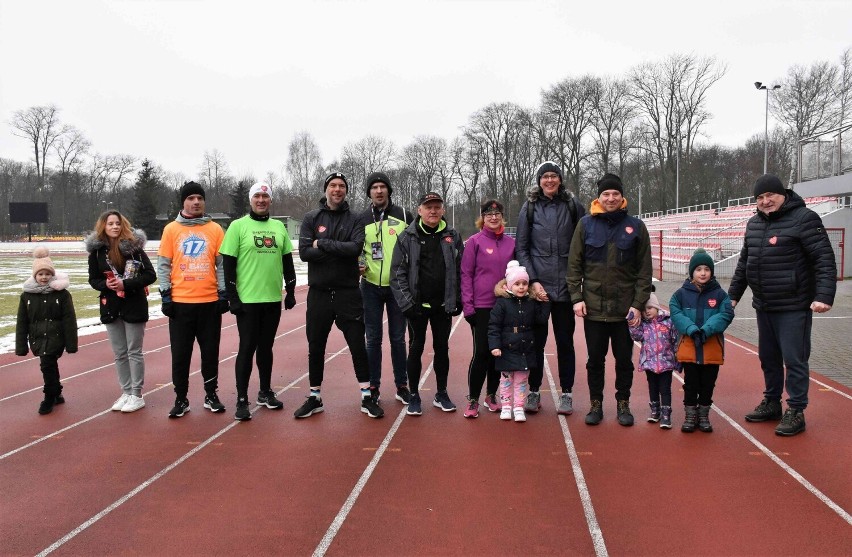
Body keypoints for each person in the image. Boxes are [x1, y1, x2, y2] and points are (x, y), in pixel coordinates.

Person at [729, 174, 836, 436]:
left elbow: (824, 259)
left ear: (783, 195)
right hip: (764, 304)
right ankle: (772, 402)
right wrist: (732, 296)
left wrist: (824, 296)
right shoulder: (753, 224)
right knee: (768, 358)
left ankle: (796, 410)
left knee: (794, 359)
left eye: (770, 196)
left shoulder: (805, 219)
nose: (765, 201)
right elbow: (745, 263)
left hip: (794, 305)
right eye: (760, 198)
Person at [295, 172, 384, 419]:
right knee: (316, 346)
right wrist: (338, 249)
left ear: (346, 190)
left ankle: (367, 396)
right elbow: (303, 253)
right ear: (326, 189)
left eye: (342, 186)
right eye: (333, 185)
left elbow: (354, 248)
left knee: (357, 345)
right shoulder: (311, 218)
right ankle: (315, 397)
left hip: (348, 293)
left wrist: (321, 244)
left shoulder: (355, 218)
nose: (337, 189)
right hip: (319, 294)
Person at [567, 173, 652, 427]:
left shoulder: (636, 227)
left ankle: (623, 403)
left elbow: (644, 271)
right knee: (595, 361)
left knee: (624, 361)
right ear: (599, 197)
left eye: (615, 193)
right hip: (593, 309)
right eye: (606, 194)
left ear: (622, 196)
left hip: (625, 311)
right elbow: (574, 266)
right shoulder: (585, 225)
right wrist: (576, 298)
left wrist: (638, 304)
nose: (611, 198)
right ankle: (595, 404)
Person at [220, 182, 297, 421]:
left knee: (266, 348)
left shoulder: (278, 227)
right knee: (247, 348)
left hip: (272, 299)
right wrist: (232, 297)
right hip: (247, 301)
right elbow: (228, 266)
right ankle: (242, 399)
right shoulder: (238, 226)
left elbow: (287, 262)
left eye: (265, 196)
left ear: (270, 200)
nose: (261, 200)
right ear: (251, 200)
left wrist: (291, 290)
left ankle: (265, 391)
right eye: (257, 196)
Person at [515, 161, 585, 415]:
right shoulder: (530, 207)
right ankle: (533, 391)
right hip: (539, 291)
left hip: (566, 288)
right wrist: (533, 281)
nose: (550, 181)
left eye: (554, 176)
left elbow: (584, 242)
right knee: (535, 343)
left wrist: (577, 280)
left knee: (565, 343)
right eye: (545, 177)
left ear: (560, 179)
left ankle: (566, 393)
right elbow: (521, 247)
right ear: (539, 180)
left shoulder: (573, 205)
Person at [158, 181, 228, 418]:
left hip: (209, 302)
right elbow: (164, 264)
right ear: (183, 202)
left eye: (199, 198)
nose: (196, 202)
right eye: (191, 198)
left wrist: (223, 292)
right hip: (180, 304)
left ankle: (211, 394)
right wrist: (166, 294)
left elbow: (221, 265)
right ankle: (181, 398)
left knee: (210, 352)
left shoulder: (215, 230)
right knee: (180, 354)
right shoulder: (171, 230)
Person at [390, 191, 463, 416]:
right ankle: (413, 395)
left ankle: (441, 393)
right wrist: (407, 303)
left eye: (437, 207)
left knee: (442, 349)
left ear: (442, 210)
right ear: (419, 210)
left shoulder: (453, 236)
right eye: (428, 207)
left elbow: (461, 270)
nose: (432, 211)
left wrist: (458, 298)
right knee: (415, 349)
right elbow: (397, 273)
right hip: (417, 307)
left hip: (443, 306)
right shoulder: (406, 237)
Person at [86, 210, 157, 413]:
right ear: (103, 227)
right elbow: (93, 279)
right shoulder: (97, 252)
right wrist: (107, 284)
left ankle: (137, 394)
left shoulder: (134, 249)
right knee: (119, 353)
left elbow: (150, 275)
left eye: (118, 223)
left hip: (133, 304)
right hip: (111, 305)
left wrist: (126, 284)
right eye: (110, 224)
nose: (115, 227)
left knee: (134, 350)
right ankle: (126, 392)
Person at [359, 171, 414, 406]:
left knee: (398, 338)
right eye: (374, 187)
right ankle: (373, 386)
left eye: (383, 187)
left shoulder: (403, 214)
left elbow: (414, 246)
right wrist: (358, 261)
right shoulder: (361, 218)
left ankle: (402, 385)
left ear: (389, 191)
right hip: (370, 285)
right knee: (372, 338)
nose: (379, 191)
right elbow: (357, 247)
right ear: (369, 192)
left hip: (396, 287)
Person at [460, 199, 515, 418]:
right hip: (482, 307)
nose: (493, 217)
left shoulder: (512, 243)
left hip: (505, 306)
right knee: (482, 352)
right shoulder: (474, 242)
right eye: (488, 213)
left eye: (497, 213)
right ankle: (473, 399)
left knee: (497, 353)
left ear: (502, 216)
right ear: (482, 217)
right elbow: (466, 274)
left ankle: (491, 395)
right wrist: (468, 306)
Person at [670, 249, 734, 433]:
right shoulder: (680, 294)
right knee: (690, 383)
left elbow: (726, 313)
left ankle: (704, 414)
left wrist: (707, 329)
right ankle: (690, 415)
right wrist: (691, 329)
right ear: (692, 272)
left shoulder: (720, 294)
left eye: (707, 268)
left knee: (708, 383)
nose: (703, 273)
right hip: (689, 347)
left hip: (711, 347)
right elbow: (676, 313)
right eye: (698, 269)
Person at [16, 247, 78, 415]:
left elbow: (69, 319)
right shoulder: (26, 296)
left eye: (47, 274)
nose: (44, 277)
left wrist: (71, 343)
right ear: (35, 276)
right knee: (49, 365)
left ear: (52, 275)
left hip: (56, 337)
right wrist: (21, 346)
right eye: (40, 274)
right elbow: (22, 322)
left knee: (47, 365)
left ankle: (49, 396)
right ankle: (56, 392)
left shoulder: (62, 294)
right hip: (37, 338)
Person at [488, 261, 549, 422]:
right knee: (506, 380)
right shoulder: (502, 303)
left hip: (525, 350)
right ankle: (506, 406)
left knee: (521, 381)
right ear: (509, 285)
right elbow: (494, 326)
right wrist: (494, 345)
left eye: (524, 283)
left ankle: (519, 407)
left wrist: (545, 302)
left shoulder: (531, 302)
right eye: (517, 284)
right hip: (507, 349)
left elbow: (541, 320)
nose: (521, 287)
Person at [628, 292, 680, 429]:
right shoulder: (644, 324)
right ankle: (655, 410)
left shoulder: (669, 321)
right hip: (650, 363)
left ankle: (666, 414)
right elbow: (636, 336)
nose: (647, 312)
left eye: (650, 308)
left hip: (666, 363)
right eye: (644, 310)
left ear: (657, 307)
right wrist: (632, 323)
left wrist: (678, 358)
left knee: (665, 389)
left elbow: (675, 340)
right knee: (653, 387)